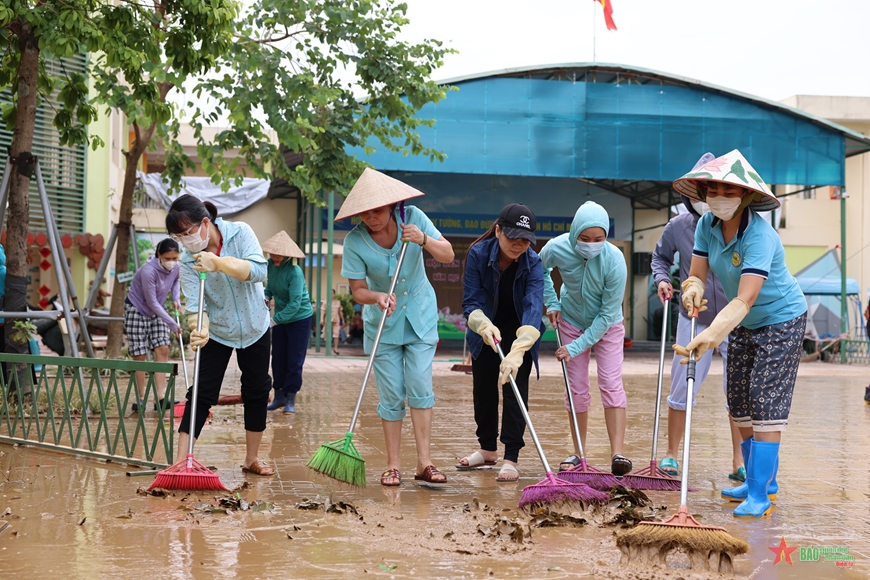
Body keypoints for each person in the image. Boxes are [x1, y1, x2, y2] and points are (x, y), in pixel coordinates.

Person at [673, 149, 807, 518]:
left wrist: (711, 335)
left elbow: (746, 297)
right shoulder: (706, 226)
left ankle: (762, 495)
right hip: (742, 322)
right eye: (713, 189)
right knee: (739, 401)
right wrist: (692, 289)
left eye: (729, 191)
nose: (720, 197)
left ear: (746, 196)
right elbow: (697, 272)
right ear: (702, 193)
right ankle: (756, 481)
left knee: (765, 402)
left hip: (780, 319)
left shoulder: (760, 236)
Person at [338, 168, 454, 486]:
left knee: (419, 384)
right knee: (391, 394)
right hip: (383, 322)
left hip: (419, 315)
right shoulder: (355, 241)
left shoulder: (413, 217)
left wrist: (423, 238)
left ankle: (425, 462)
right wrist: (375, 296)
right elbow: (358, 290)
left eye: (377, 210)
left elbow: (448, 254)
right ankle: (393, 464)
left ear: (391, 205)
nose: (371, 218)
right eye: (365, 213)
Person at [651, 152, 745, 483]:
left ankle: (739, 459)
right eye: (705, 192)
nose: (711, 200)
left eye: (719, 192)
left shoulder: (739, 224)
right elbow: (659, 257)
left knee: (738, 390)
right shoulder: (678, 227)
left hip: (734, 319)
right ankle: (673, 454)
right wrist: (662, 280)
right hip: (694, 317)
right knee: (682, 384)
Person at [166, 194, 274, 477]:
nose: (186, 241)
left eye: (188, 233)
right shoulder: (187, 261)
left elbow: (259, 271)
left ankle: (252, 458)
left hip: (255, 326)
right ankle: (180, 463)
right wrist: (198, 326)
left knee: (256, 390)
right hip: (219, 331)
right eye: (179, 237)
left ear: (205, 222)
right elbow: (195, 304)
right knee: (201, 392)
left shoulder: (240, 233)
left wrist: (220, 263)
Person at [540, 201, 632, 476]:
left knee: (611, 383)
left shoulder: (615, 261)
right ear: (574, 233)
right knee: (576, 389)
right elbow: (539, 270)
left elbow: (606, 315)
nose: (591, 244)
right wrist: (552, 302)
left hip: (608, 325)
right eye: (585, 238)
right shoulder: (557, 247)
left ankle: (617, 453)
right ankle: (579, 453)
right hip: (570, 319)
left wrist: (576, 347)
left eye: (599, 239)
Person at [459, 203, 544, 482]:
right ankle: (487, 450)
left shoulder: (534, 261)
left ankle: (511, 457)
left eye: (524, 240)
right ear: (497, 231)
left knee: (515, 391)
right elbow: (470, 301)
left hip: (520, 329)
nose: (518, 246)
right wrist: (482, 325)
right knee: (483, 388)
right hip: (486, 326)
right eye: (512, 238)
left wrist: (520, 348)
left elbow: (533, 304)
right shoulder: (478, 253)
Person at [123, 238, 181, 412]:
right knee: (139, 354)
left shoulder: (176, 267)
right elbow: (151, 302)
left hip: (158, 308)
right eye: (168, 258)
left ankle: (160, 398)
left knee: (162, 348)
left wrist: (176, 298)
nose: (172, 262)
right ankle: (141, 398)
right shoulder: (148, 271)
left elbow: (176, 280)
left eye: (175, 258)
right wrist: (172, 323)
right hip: (137, 308)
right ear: (159, 255)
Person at [262, 230, 312, 415]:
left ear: (287, 255)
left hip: (299, 318)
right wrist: (266, 296)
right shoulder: (270, 265)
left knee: (294, 359)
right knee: (278, 358)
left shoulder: (295, 272)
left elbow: (295, 303)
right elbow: (270, 287)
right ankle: (279, 397)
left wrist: (274, 321)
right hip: (282, 317)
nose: (275, 257)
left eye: (279, 254)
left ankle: (291, 398)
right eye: (273, 253)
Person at [320, 289, 344, 355]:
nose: (331, 295)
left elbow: (340, 311)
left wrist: (343, 320)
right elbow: (323, 311)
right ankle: (328, 349)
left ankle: (335, 348)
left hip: (336, 320)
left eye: (332, 293)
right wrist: (321, 319)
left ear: (334, 294)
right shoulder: (325, 302)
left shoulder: (338, 302)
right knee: (327, 335)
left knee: (336, 335)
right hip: (328, 320)